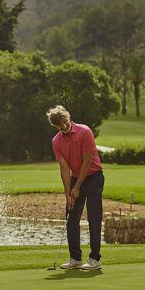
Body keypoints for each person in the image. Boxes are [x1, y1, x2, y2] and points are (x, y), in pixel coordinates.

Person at [47, 105, 104, 270]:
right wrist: (68, 194)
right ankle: (75, 258)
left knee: (94, 217)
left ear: (68, 117)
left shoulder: (85, 132)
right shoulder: (56, 141)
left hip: (94, 178)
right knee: (71, 218)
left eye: (65, 122)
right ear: (55, 127)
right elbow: (64, 168)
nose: (64, 127)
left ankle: (95, 259)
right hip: (75, 178)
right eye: (60, 126)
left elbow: (87, 162)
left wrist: (77, 187)